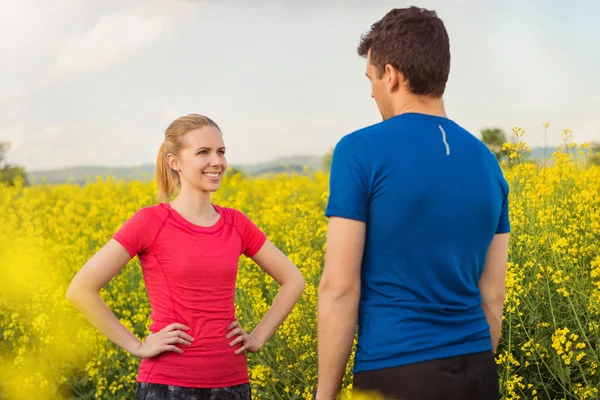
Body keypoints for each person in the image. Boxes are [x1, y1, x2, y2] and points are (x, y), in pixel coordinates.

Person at [315, 7, 509, 400]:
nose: (371, 91)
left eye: (371, 78)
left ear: (392, 75)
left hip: (396, 370)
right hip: (477, 370)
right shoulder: (488, 163)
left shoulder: (360, 151)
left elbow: (338, 288)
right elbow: (493, 295)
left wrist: (325, 393)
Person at [66, 114, 305, 400]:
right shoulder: (151, 221)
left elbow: (293, 280)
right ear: (174, 162)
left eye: (221, 151)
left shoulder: (236, 223)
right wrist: (137, 346)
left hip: (232, 382)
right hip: (167, 384)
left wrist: (257, 338)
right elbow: (81, 289)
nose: (216, 161)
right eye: (203, 152)